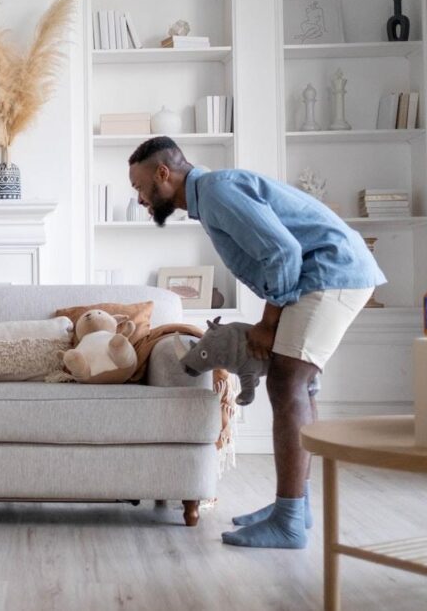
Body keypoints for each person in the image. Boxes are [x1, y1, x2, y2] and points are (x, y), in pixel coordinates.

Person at [127, 137, 385, 549]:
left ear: (163, 173)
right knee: (298, 383)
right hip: (322, 273)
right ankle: (295, 508)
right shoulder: (209, 195)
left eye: (140, 187)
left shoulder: (216, 191)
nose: (140, 198)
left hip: (330, 271)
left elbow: (282, 253)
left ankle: (289, 519)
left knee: (287, 383)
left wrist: (268, 323)